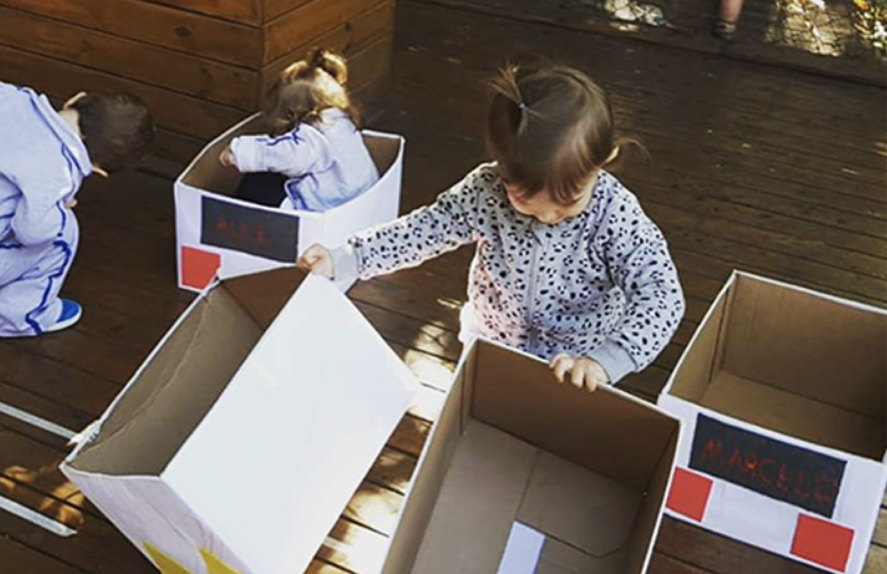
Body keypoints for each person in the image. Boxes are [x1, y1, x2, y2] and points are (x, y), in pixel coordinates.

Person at [300, 63, 685, 391]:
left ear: (603, 161)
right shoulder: (485, 192)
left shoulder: (614, 215)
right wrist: (347, 258)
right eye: (526, 203)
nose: (547, 217)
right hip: (490, 344)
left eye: (567, 204)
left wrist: (608, 360)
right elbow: (422, 230)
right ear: (501, 167)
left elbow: (663, 295)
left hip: (577, 365)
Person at [0, 77, 154, 337]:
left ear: (75, 98)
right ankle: (22, 319)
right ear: (98, 169)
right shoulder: (58, 170)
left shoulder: (4, 95)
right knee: (63, 232)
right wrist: (57, 206)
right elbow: (34, 233)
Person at [219, 48, 379, 212]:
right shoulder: (340, 120)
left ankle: (237, 216)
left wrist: (238, 153)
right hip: (356, 198)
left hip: (324, 209)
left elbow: (283, 155)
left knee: (258, 180)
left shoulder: (312, 135)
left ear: (290, 113)